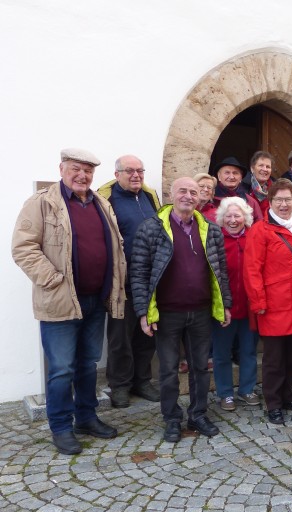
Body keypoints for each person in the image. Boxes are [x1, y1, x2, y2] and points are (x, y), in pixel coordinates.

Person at [12, 148, 125, 455]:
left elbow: (114, 247)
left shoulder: (101, 203)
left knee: (88, 364)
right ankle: (60, 426)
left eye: (88, 171)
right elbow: (23, 248)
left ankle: (86, 417)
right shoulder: (42, 203)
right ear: (61, 168)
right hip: (60, 301)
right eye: (76, 169)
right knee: (62, 368)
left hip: (93, 300)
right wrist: (53, 279)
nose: (82, 175)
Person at [131, 177, 232, 443]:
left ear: (199, 198)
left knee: (201, 367)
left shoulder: (210, 229)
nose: (188, 196)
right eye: (183, 191)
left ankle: (198, 414)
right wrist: (143, 312)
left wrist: (226, 305)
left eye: (193, 192)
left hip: (200, 311)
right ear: (171, 195)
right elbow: (139, 273)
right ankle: (172, 419)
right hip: (167, 313)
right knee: (167, 370)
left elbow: (221, 272)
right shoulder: (151, 229)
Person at [244, 178, 292, 425]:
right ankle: (273, 402)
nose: (284, 204)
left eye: (288, 199)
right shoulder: (260, 230)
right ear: (270, 202)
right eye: (279, 199)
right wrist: (258, 302)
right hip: (273, 305)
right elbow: (252, 269)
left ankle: (288, 395)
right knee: (274, 359)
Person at [96, 155, 161, 409]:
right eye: (130, 171)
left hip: (149, 278)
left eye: (140, 171)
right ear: (117, 173)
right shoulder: (106, 199)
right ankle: (120, 385)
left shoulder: (149, 197)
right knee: (120, 335)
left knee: (147, 333)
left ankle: (141, 381)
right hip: (121, 280)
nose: (136, 175)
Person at [212, 197, 260, 412]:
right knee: (221, 353)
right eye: (228, 216)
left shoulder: (254, 237)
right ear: (222, 218)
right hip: (224, 307)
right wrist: (221, 305)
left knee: (248, 351)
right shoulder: (216, 239)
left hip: (250, 306)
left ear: (245, 217)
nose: (233, 220)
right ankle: (225, 393)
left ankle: (247, 389)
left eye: (237, 215)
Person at [213, 156, 263, 221]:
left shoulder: (251, 202)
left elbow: (259, 226)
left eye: (235, 173)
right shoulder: (210, 199)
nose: (231, 177)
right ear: (219, 176)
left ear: (241, 178)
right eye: (227, 173)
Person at [245, 150, 276, 217]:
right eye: (261, 165)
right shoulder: (243, 187)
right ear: (252, 169)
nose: (264, 169)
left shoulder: (276, 189)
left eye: (268, 167)